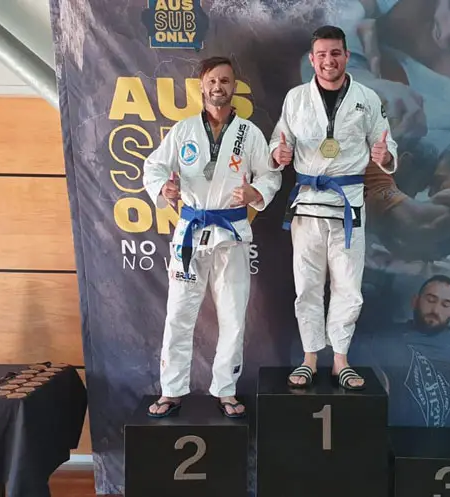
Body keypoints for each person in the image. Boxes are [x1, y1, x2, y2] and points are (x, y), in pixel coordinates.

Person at [142, 56, 282, 418]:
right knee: (178, 314)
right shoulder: (184, 130)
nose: (218, 87)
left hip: (232, 234)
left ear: (234, 87)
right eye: (212, 81)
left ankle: (226, 389)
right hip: (191, 233)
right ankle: (171, 390)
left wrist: (256, 193)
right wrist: (164, 189)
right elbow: (154, 166)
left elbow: (270, 175)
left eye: (225, 81)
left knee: (234, 316)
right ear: (202, 86)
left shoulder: (249, 134)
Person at [271, 25, 399, 390]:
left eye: (336, 53)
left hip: (348, 207)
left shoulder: (367, 98)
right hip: (308, 205)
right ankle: (310, 357)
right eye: (322, 54)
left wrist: (385, 155)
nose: (329, 60)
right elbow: (279, 140)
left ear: (346, 56)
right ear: (312, 59)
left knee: (348, 287)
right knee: (307, 286)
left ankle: (340, 358)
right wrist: (277, 154)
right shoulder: (295, 99)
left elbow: (388, 146)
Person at [350, 274, 450, 428]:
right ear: (415, 301)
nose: (435, 310)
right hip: (401, 419)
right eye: (430, 300)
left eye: (446, 304)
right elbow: (353, 351)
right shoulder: (388, 335)